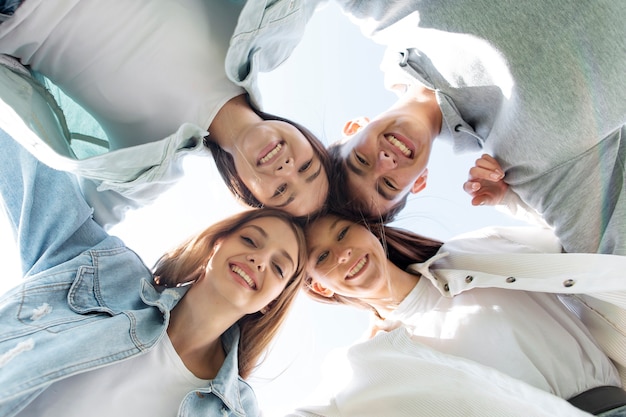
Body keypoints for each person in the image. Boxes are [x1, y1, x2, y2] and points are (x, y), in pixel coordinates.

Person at [0, 126, 307, 417]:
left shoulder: (235, 409)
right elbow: (34, 170)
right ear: (217, 243)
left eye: (279, 267)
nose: (259, 260)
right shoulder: (107, 274)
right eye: (250, 240)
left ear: (273, 301)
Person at [324, 1, 625, 257]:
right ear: (419, 183)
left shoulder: (389, 14)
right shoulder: (528, 163)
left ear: (353, 127)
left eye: (360, 161)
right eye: (388, 185)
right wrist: (514, 202)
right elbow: (608, 270)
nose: (385, 163)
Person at [0, 0, 330, 226]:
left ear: (248, 193)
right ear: (307, 138)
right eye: (307, 167)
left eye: (281, 191)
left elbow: (71, 228)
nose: (288, 169)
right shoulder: (268, 30)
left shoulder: (150, 173)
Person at [301, 212, 626, 415]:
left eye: (343, 232)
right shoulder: (375, 362)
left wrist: (510, 198)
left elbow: (584, 237)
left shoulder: (478, 249)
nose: (343, 253)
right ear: (320, 288)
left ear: (369, 229)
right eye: (323, 257)